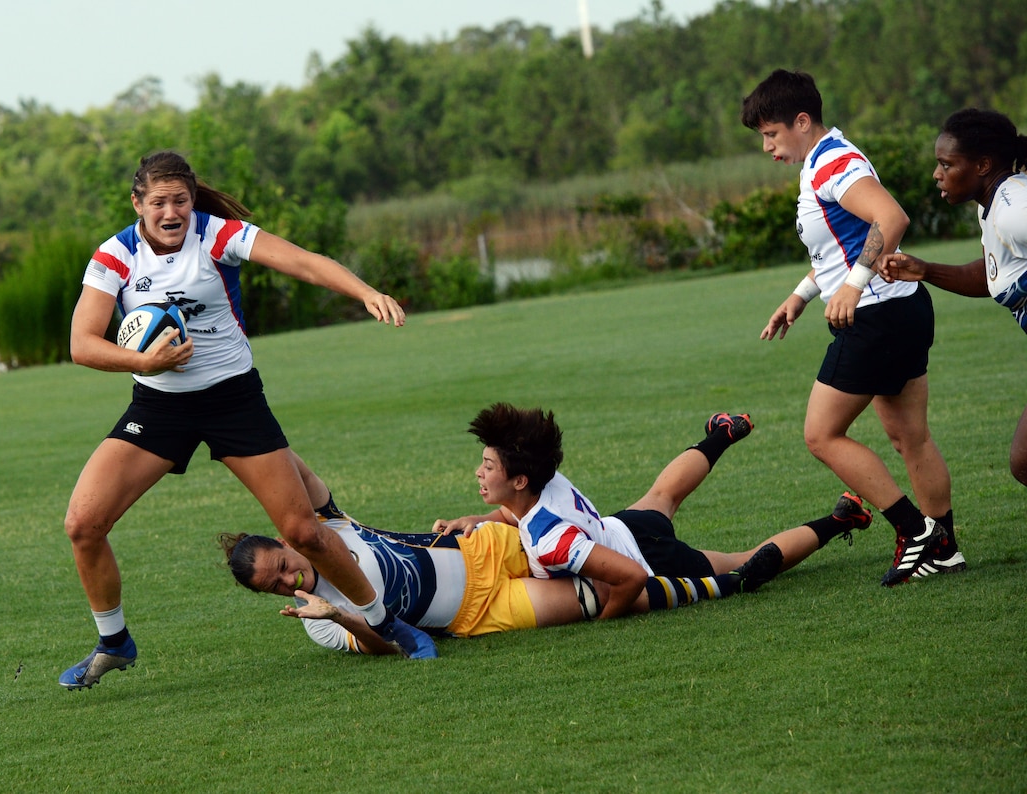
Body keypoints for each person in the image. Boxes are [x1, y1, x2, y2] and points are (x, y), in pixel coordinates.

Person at [59, 150, 436, 690]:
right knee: (83, 524)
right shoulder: (115, 257)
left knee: (302, 531)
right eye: (159, 202)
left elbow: (303, 261)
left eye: (180, 201)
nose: (171, 212)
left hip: (233, 399)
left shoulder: (218, 236)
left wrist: (366, 292)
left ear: (192, 200)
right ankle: (114, 642)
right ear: (138, 203)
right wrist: (145, 362)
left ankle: (385, 622)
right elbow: (81, 344)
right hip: (158, 406)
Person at [220, 458, 862, 653]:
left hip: (481, 546)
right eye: (274, 586)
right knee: (605, 598)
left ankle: (727, 573)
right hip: (482, 608)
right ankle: (826, 525)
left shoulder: (326, 530)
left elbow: (292, 468)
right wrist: (339, 619)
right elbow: (398, 645)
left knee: (653, 538)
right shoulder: (319, 625)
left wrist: (248, 441)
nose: (289, 578)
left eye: (281, 563)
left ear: (284, 539)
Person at [739, 69, 963, 586]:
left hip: (877, 316)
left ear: (801, 121)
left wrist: (855, 284)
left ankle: (917, 533)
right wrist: (801, 295)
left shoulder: (833, 162)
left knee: (821, 434)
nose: (768, 147)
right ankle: (944, 549)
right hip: (901, 307)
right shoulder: (822, 160)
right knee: (909, 435)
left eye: (771, 134)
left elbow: (891, 217)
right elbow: (840, 246)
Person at [432, 405, 875, 619]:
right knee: (663, 493)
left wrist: (607, 622)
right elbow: (521, 517)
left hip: (653, 561)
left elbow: (630, 578)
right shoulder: (544, 484)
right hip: (625, 526)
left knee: (741, 563)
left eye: (488, 466)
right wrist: (477, 520)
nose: (479, 472)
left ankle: (842, 518)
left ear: (520, 480)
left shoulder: (550, 541)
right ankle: (721, 433)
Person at [878, 108, 1027, 494]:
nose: (937, 174)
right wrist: (925, 269)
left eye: (947, 164)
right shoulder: (992, 205)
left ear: (982, 165)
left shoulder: (1014, 210)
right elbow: (992, 276)